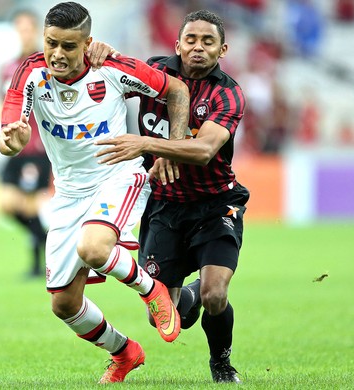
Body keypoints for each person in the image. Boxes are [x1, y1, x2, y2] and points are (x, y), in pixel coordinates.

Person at [0, 2, 190, 384]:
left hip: (117, 177)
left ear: (87, 44)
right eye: (51, 43)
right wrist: (14, 141)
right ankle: (124, 353)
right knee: (64, 304)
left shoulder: (113, 68)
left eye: (69, 46)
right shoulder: (31, 72)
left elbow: (177, 90)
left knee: (94, 248)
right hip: (68, 192)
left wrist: (175, 147)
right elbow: (9, 136)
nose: (57, 54)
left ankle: (151, 290)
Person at [95, 10, 248, 384]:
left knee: (216, 295)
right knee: (163, 315)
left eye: (208, 42)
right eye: (191, 40)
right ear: (177, 44)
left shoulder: (228, 93)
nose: (198, 47)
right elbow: (108, 79)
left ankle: (221, 364)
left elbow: (204, 150)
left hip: (215, 203)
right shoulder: (156, 72)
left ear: (222, 49)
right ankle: (190, 295)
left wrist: (147, 143)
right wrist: (100, 53)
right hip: (163, 205)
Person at [0, 9, 51, 278]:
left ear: (38, 32)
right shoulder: (8, 68)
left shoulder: (47, 65)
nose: (24, 33)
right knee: (7, 203)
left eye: (29, 28)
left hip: (38, 147)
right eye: (20, 28)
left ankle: (37, 265)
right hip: (14, 146)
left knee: (30, 206)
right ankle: (45, 239)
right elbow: (2, 104)